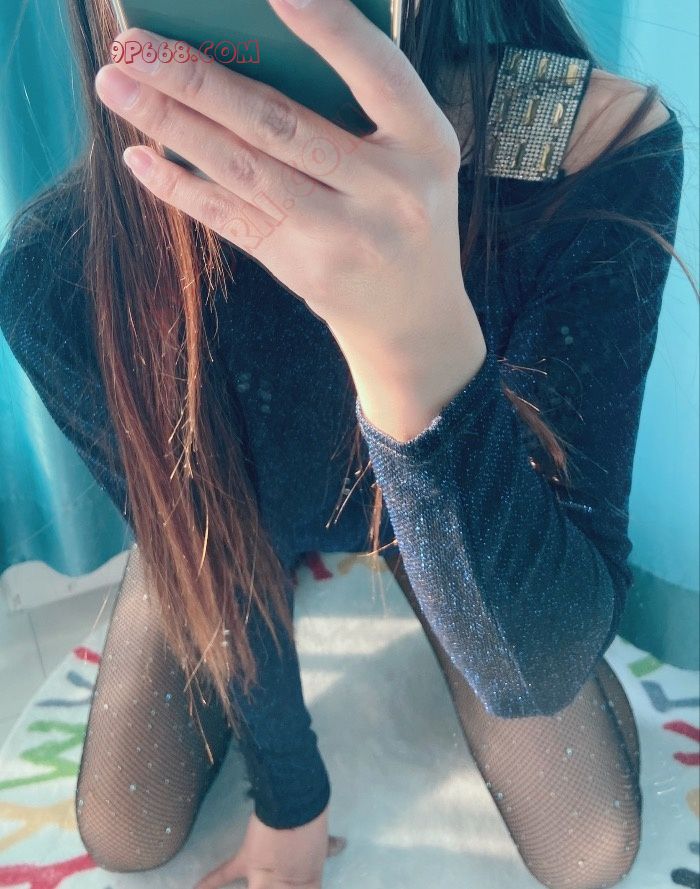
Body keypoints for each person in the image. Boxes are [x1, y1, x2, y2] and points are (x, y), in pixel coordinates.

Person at [0, 0, 691, 886]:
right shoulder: (61, 265)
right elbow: (213, 558)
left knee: (588, 845)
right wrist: (291, 797)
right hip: (230, 513)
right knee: (125, 828)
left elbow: (539, 666)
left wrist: (417, 337)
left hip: (434, 503)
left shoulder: (581, 142)